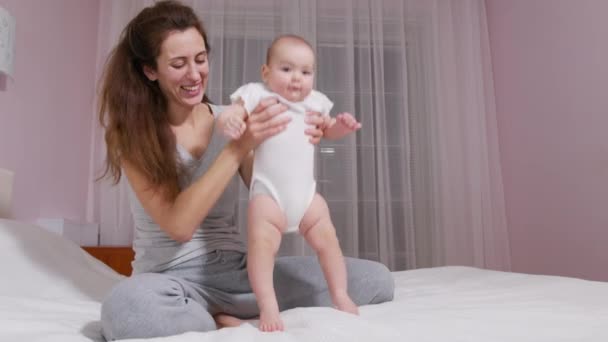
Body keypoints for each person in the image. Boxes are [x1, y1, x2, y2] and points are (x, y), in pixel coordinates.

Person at [97, 1, 394, 340]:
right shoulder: (132, 135)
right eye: (178, 64)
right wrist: (238, 146)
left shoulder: (234, 116)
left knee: (375, 280)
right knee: (127, 311)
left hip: (240, 273)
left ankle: (215, 315)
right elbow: (178, 225)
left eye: (200, 59)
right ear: (151, 70)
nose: (194, 75)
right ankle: (216, 318)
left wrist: (293, 142)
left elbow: (266, 190)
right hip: (172, 279)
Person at [216, 35, 362, 332]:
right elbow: (233, 112)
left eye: (306, 72)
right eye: (287, 69)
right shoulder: (257, 93)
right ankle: (268, 305)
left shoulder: (316, 101)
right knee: (262, 247)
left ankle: (340, 293)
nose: (297, 78)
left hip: (307, 197)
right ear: (266, 72)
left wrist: (340, 128)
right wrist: (231, 118)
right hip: (269, 197)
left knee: (329, 242)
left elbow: (327, 130)